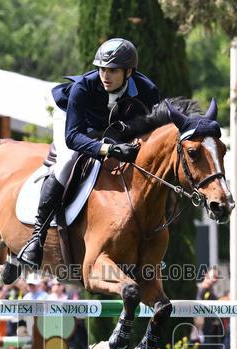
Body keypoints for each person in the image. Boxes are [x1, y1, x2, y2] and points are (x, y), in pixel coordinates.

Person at [17, 38, 161, 270]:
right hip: (72, 121)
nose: (105, 76)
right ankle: (37, 237)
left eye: (112, 71)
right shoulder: (82, 87)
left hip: (110, 127)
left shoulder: (147, 90)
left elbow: (153, 132)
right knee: (67, 161)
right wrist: (109, 149)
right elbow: (72, 138)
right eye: (102, 69)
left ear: (129, 72)